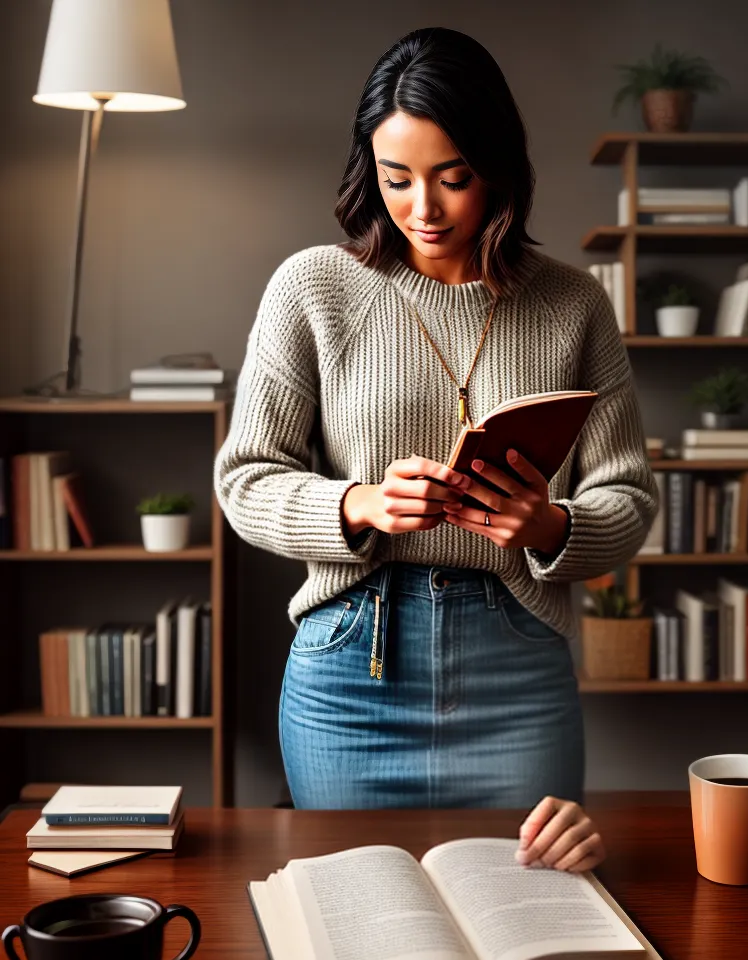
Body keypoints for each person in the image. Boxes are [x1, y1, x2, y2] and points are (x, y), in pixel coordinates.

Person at [214, 27, 657, 874]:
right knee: (366, 928)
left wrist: (549, 525)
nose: (423, 208)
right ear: (367, 174)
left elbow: (628, 497)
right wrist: (356, 504)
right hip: (350, 666)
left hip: (516, 671)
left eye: (452, 177)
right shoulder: (313, 289)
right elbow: (243, 479)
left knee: (527, 919)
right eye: (396, 179)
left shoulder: (573, 303)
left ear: (497, 167)